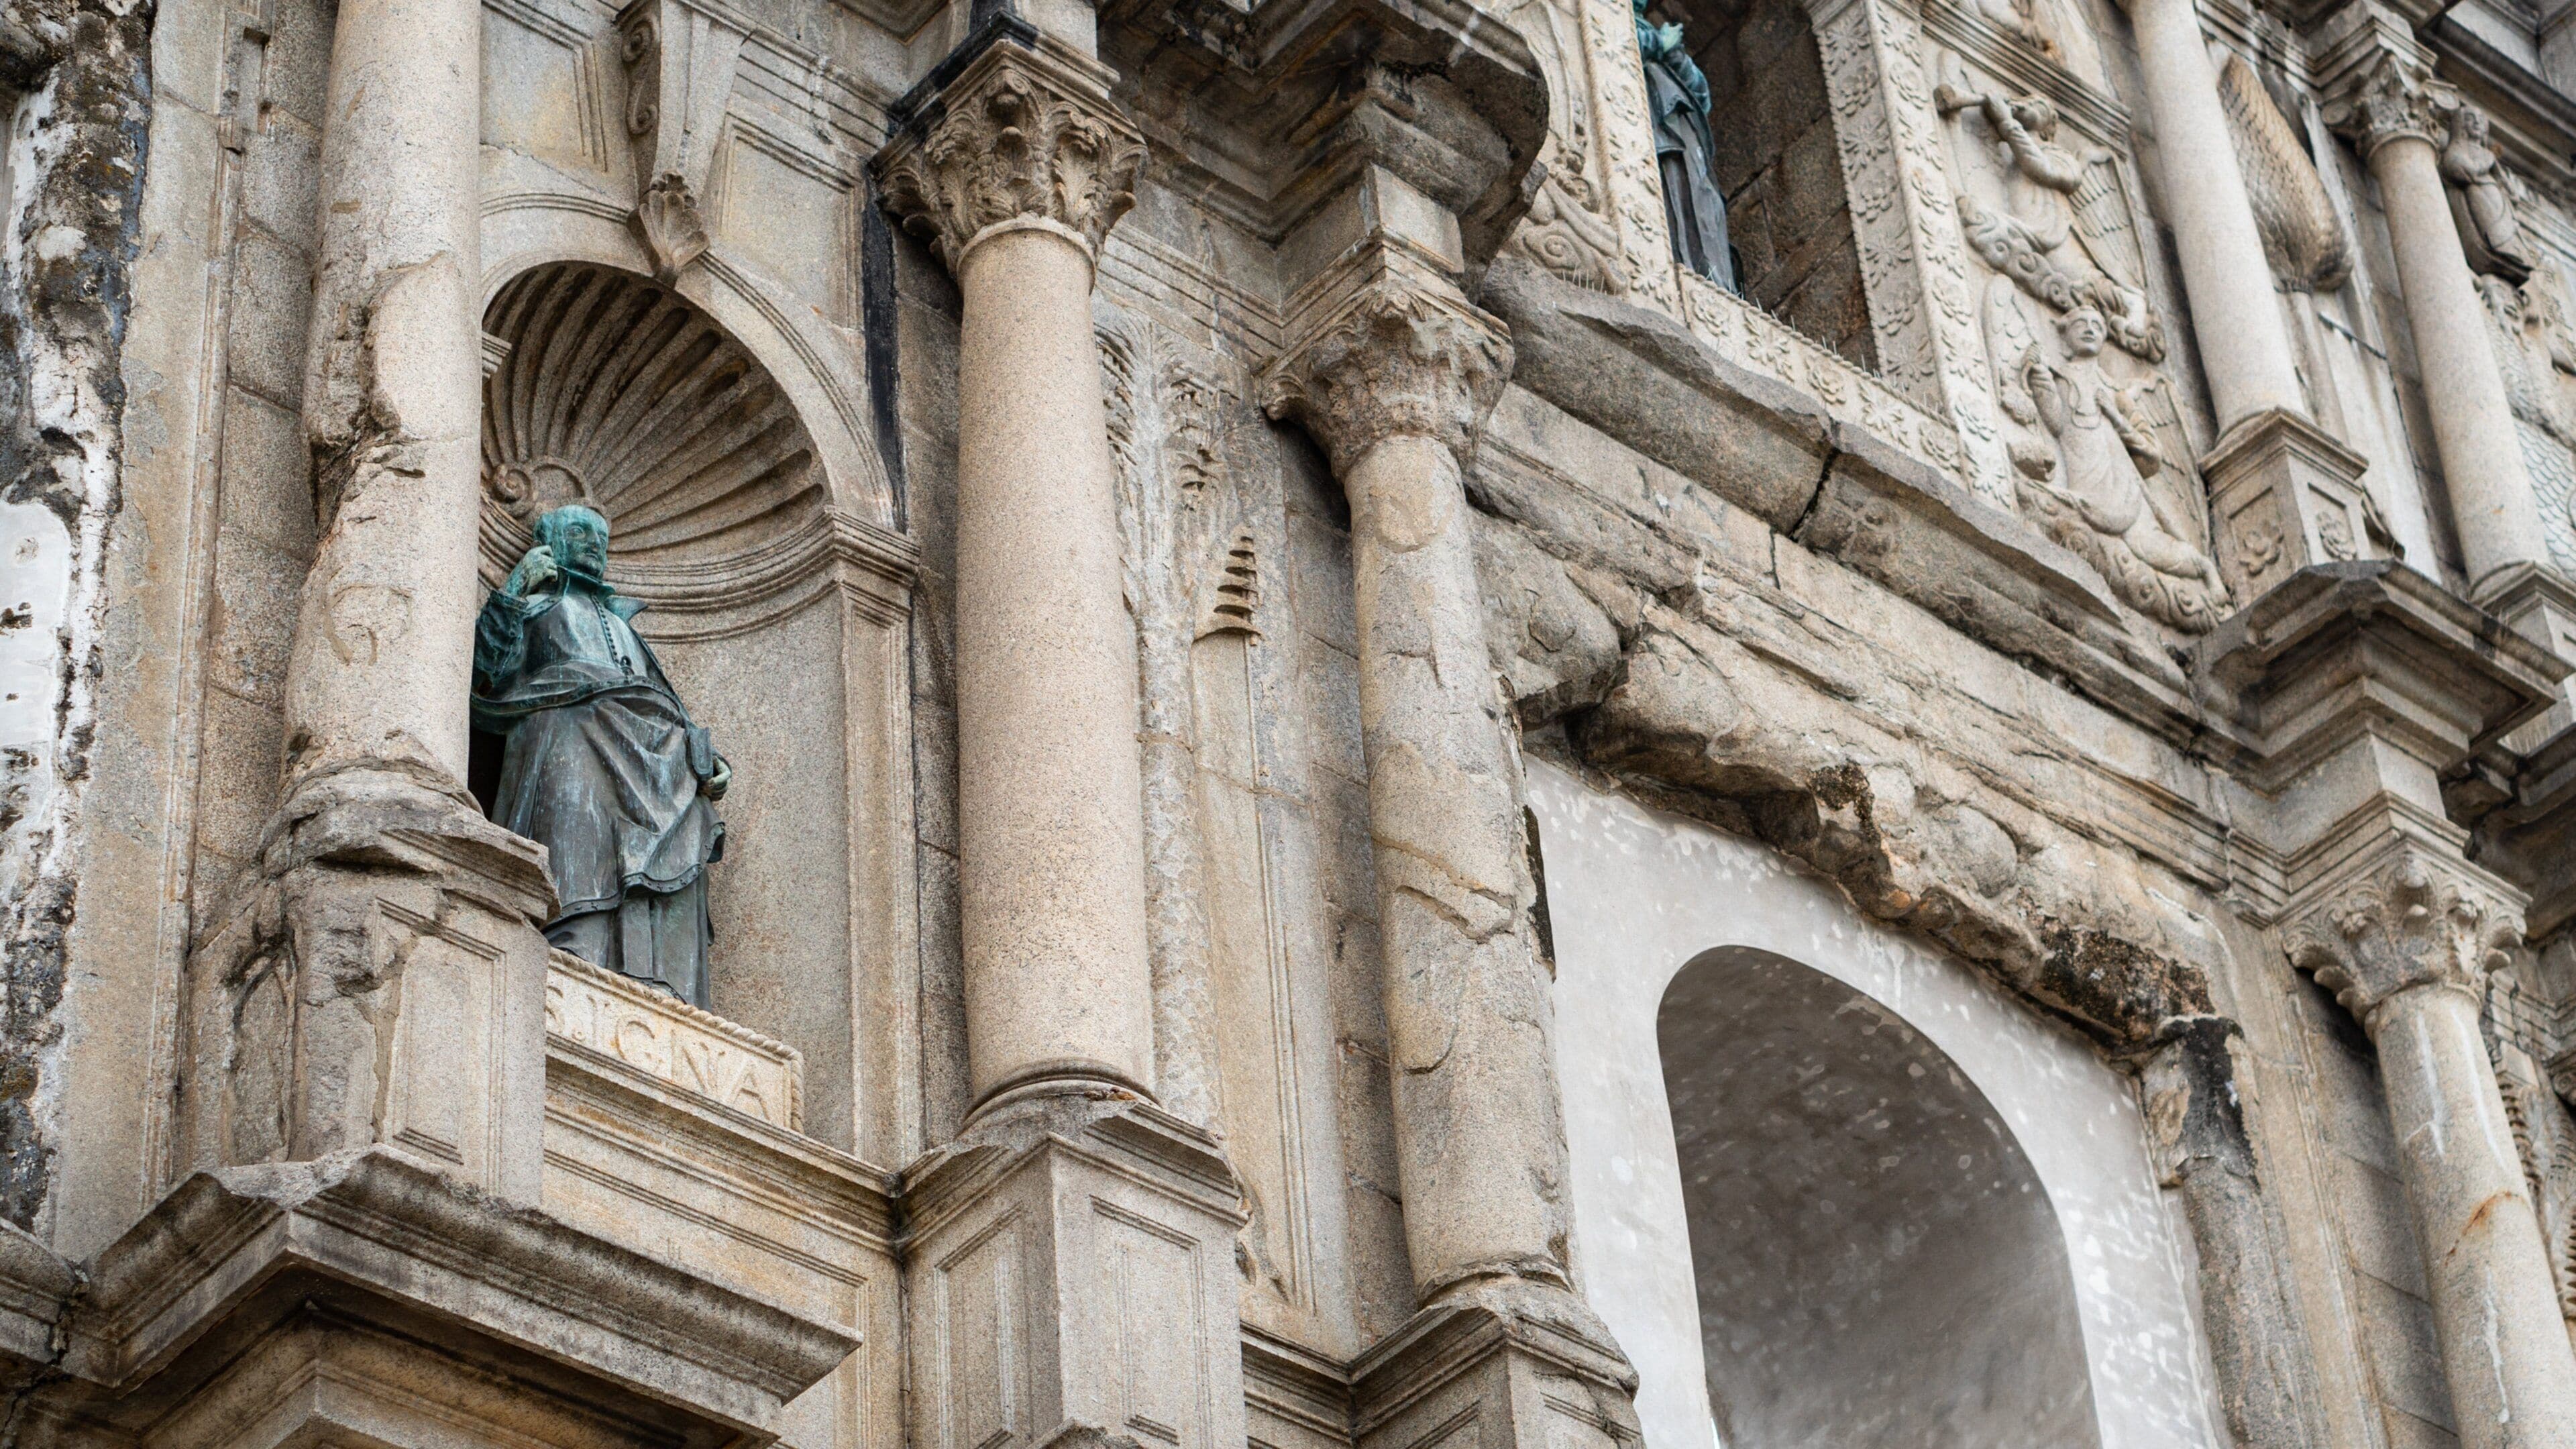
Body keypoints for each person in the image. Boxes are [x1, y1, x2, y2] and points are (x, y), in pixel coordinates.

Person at [473, 504, 729, 1008]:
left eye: (601, 537)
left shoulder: (625, 626)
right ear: (549, 543)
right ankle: (575, 947)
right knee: (576, 820)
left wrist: (706, 759)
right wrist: (512, 591)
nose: (594, 543)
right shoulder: (533, 609)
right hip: (568, 733)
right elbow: (483, 673)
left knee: (689, 813)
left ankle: (662, 976)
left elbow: (669, 708)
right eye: (578, 532)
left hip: (651, 753)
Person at [1636, 0, 1736, 290]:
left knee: (1705, 204)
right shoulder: (1609, 15)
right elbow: (1610, 47)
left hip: (1684, 134)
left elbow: (1702, 97)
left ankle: (1714, 279)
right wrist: (1658, 42)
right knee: (1674, 193)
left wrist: (1676, 56)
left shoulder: (1655, 34)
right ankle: (1685, 269)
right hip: (1658, 132)